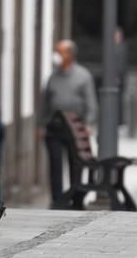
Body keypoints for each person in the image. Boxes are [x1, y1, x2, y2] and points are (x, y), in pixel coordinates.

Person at [37, 39, 98, 206]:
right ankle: (57, 199)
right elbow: (44, 102)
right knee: (55, 164)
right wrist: (41, 125)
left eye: (60, 52)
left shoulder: (83, 76)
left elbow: (90, 103)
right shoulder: (52, 77)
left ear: (70, 55)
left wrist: (89, 124)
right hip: (54, 125)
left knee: (76, 163)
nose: (56, 56)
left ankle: (76, 198)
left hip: (75, 127)